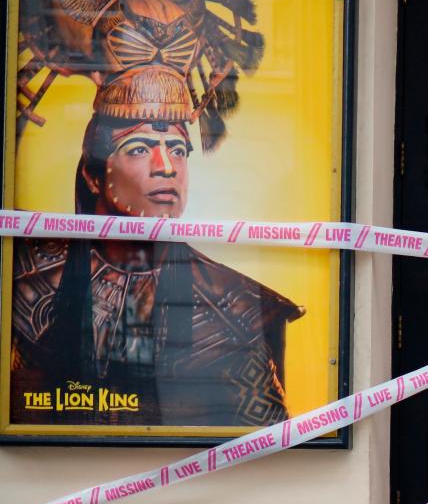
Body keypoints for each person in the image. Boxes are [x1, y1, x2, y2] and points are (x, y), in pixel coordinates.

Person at [10, 111, 303, 428]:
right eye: (139, 148)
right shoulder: (24, 269)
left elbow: (269, 446)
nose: (167, 167)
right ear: (93, 177)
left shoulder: (236, 309)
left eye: (178, 151)